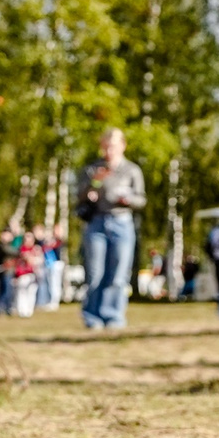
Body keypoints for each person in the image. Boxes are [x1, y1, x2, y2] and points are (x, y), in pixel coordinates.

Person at [76, 129, 145, 331]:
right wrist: (95, 182)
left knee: (118, 273)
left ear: (123, 145)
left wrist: (128, 199)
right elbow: (80, 194)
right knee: (95, 272)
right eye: (106, 146)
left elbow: (141, 199)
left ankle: (113, 316)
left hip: (122, 222)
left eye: (113, 146)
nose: (109, 150)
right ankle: (92, 317)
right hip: (96, 222)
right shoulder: (93, 169)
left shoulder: (132, 170)